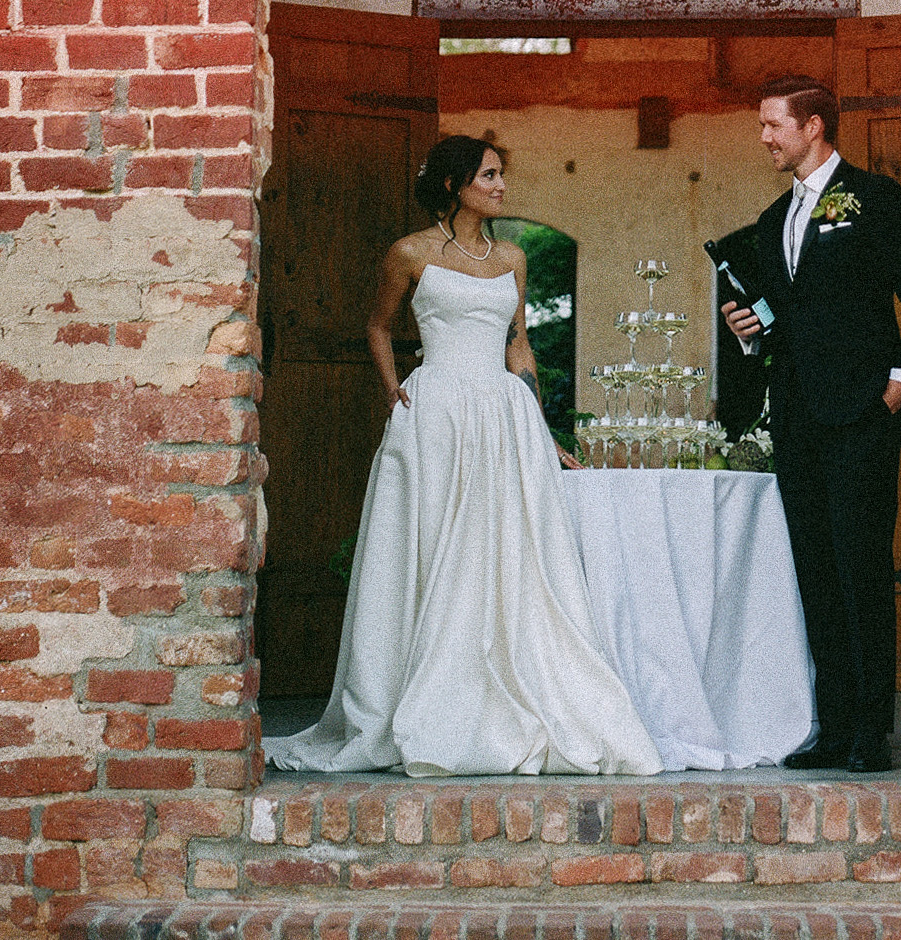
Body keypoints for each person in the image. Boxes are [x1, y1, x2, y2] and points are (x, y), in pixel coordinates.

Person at [264, 135, 661, 778]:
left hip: (502, 417)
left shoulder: (511, 257)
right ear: (455, 184)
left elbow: (519, 346)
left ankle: (505, 688)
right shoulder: (409, 253)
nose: (501, 186)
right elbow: (377, 324)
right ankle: (406, 699)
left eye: (501, 174)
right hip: (436, 412)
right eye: (489, 175)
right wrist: (393, 387)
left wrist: (542, 429)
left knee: (504, 553)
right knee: (423, 549)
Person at [720, 75, 901, 773]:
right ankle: (833, 725)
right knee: (816, 572)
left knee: (860, 569)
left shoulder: (873, 198)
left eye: (772, 125)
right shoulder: (768, 221)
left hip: (859, 415)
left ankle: (870, 731)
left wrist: (899, 387)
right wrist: (750, 330)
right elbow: (788, 318)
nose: (764, 138)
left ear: (812, 126)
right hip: (795, 417)